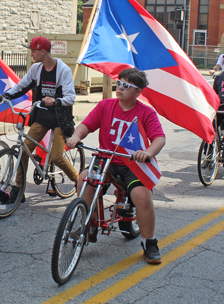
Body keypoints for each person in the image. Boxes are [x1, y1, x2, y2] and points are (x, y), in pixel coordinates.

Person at [67, 68, 166, 264]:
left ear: (138, 92)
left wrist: (147, 153)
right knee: (84, 180)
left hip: (132, 164)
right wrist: (76, 136)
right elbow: (86, 125)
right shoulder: (105, 106)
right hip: (106, 160)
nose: (120, 88)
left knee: (142, 195)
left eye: (127, 86)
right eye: (119, 83)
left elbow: (159, 139)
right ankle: (89, 223)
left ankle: (149, 242)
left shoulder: (146, 112)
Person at [0, 36, 78, 198]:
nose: (31, 54)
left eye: (33, 51)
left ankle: (80, 181)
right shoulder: (36, 69)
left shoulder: (63, 70)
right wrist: (5, 97)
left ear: (43, 51)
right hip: (42, 117)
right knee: (24, 150)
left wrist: (56, 101)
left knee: (57, 156)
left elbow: (71, 98)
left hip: (60, 119)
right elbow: (21, 86)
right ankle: (19, 189)